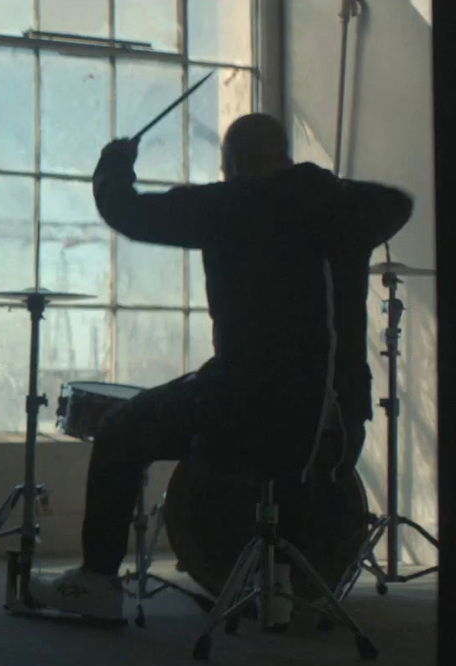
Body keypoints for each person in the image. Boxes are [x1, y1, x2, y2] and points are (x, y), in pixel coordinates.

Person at [27, 113, 414, 620]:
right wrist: (324, 188)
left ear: (231, 165)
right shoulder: (348, 206)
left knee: (122, 431)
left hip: (245, 406)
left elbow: (127, 212)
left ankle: (98, 583)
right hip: (337, 422)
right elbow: (400, 202)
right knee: (285, 463)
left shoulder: (227, 205)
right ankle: (277, 581)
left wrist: (114, 163)